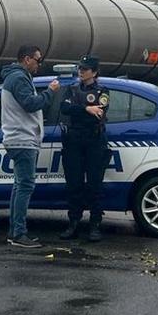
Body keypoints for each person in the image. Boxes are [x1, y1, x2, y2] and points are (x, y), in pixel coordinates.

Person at [1, 45, 60, 248]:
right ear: (26, 59)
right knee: (25, 186)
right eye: (38, 59)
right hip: (22, 139)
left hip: (22, 138)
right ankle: (19, 233)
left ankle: (14, 231)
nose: (39, 64)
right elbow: (30, 104)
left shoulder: (17, 77)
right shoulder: (18, 78)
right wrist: (50, 93)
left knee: (20, 186)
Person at [59, 55, 111, 242]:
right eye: (80, 68)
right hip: (74, 141)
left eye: (85, 69)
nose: (81, 71)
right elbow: (65, 109)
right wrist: (86, 109)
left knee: (95, 185)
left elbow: (99, 113)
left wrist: (82, 109)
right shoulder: (71, 89)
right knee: (74, 184)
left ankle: (95, 225)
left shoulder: (102, 91)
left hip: (94, 140)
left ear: (94, 72)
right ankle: (73, 223)